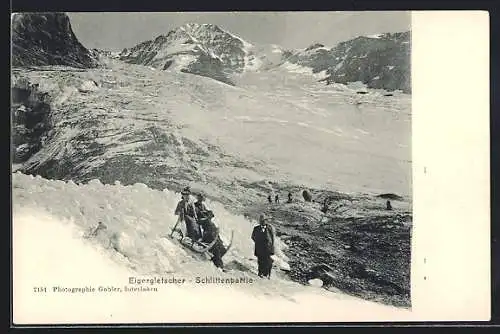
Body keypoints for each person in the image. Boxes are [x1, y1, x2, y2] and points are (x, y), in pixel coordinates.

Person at [251, 213, 276, 279]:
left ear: (266, 221)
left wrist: (272, 246)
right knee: (260, 260)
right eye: (261, 221)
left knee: (267, 261)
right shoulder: (256, 228)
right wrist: (258, 242)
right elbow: (253, 237)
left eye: (264, 220)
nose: (263, 222)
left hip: (267, 248)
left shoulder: (269, 228)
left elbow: (272, 238)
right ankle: (260, 273)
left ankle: (267, 274)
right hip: (259, 248)